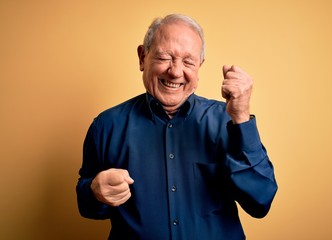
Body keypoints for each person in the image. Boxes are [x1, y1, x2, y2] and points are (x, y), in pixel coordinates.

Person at [76, 13, 278, 240]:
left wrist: (241, 116)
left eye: (188, 61)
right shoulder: (106, 126)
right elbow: (87, 206)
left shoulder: (228, 121)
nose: (175, 71)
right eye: (164, 57)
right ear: (143, 57)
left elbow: (260, 202)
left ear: (199, 67)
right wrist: (95, 192)